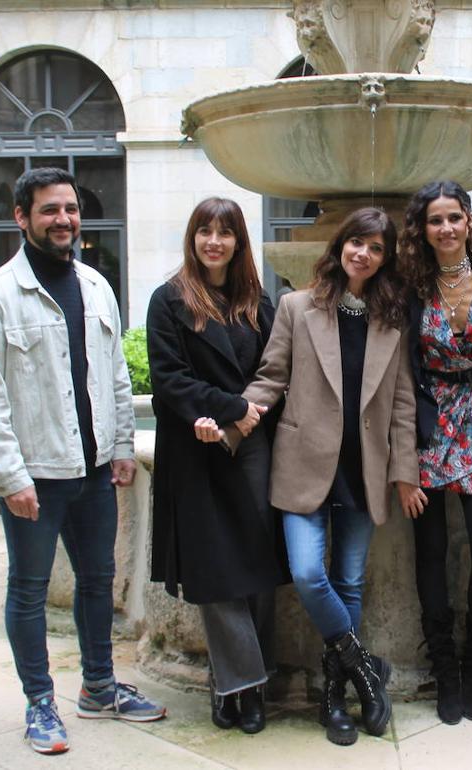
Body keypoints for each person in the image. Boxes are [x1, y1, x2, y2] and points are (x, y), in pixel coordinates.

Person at [199, 207, 426, 746]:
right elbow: (271, 377)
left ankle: (335, 695)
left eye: (375, 247)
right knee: (306, 572)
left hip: (362, 470)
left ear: (385, 258)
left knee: (348, 581)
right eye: (356, 242)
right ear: (340, 246)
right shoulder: (298, 307)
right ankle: (367, 669)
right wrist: (233, 421)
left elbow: (401, 405)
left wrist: (405, 473)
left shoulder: (392, 319)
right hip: (304, 464)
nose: (362, 254)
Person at [0, 167, 165, 756]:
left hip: (95, 472)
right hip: (35, 478)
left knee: (98, 582)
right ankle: (39, 703)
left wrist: (123, 446)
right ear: (21, 217)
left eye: (70, 209)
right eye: (49, 210)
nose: (64, 220)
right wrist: (9, 477)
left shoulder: (96, 286)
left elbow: (117, 378)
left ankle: (99, 687)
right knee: (27, 592)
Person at [145, 198, 287, 734]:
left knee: (258, 565)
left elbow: (278, 369)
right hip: (197, 448)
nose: (214, 241)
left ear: (238, 242)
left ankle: (255, 680)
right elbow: (169, 379)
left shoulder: (258, 301)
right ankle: (236, 686)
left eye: (224, 233)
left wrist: (245, 419)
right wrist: (227, 411)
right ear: (192, 238)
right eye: (205, 231)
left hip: (251, 447)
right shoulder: (169, 301)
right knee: (219, 571)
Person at [399, 180, 472, 724]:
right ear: (422, 228)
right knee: (431, 551)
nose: (445, 228)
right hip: (428, 424)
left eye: (454, 218)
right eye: (435, 220)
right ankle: (444, 668)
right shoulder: (409, 283)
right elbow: (397, 366)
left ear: (469, 220)